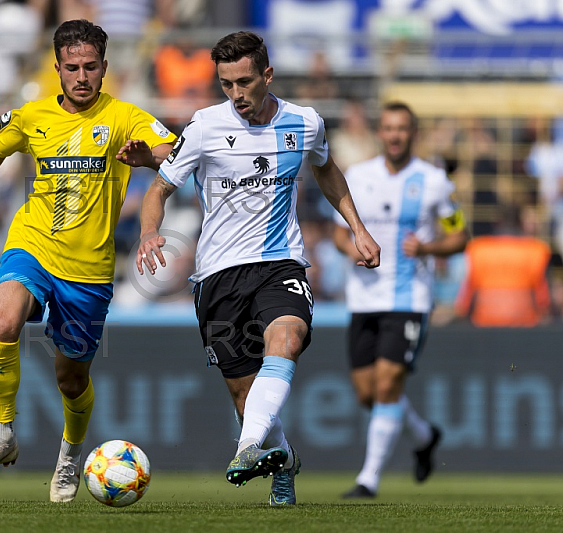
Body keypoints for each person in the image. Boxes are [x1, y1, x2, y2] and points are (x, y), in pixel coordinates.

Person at [0, 19, 175, 502]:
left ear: (104, 68)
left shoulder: (125, 116)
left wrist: (151, 159)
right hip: (33, 242)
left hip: (89, 269)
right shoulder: (30, 116)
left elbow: (170, 152)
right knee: (4, 321)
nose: (81, 77)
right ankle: (3, 435)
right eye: (72, 67)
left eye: (90, 67)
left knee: (70, 377)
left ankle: (70, 457)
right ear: (56, 68)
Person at [136, 31, 380, 506]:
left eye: (244, 82)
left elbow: (326, 170)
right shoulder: (204, 125)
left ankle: (246, 448)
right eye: (226, 84)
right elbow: (160, 188)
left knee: (285, 338)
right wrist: (149, 233)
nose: (236, 94)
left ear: (267, 75)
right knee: (246, 397)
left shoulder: (305, 123)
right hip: (217, 276)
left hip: (279, 262)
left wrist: (357, 227)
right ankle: (283, 459)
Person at [333, 102, 469, 499]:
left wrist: (428, 248)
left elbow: (460, 236)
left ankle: (367, 480)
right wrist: (347, 247)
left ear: (414, 133)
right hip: (362, 297)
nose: (395, 135)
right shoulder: (357, 177)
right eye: (389, 128)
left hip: (410, 298)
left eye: (402, 129)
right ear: (380, 133)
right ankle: (425, 435)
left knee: (389, 383)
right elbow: (338, 232)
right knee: (368, 394)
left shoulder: (435, 181)